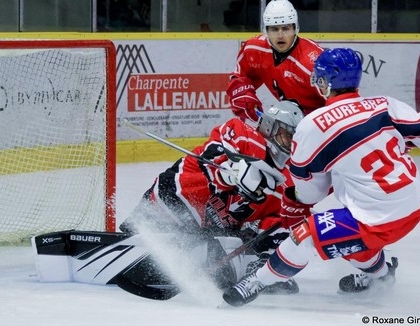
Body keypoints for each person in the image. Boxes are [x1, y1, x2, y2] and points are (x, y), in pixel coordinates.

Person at [222, 47, 420, 307]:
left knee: (304, 236)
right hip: (412, 206)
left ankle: (257, 282)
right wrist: (406, 140)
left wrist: (292, 197)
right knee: (345, 236)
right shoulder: (384, 105)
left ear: (324, 82)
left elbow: (311, 193)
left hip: (377, 218)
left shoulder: (314, 125)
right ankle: (382, 276)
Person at [119, 100, 305, 292]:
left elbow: (284, 218)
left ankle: (263, 268)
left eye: (296, 138)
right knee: (144, 229)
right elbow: (211, 153)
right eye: (288, 135)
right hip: (177, 199)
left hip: (213, 230)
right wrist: (227, 173)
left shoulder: (288, 179)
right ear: (270, 127)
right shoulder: (242, 133)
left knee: (295, 220)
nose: (292, 143)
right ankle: (128, 238)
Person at [226, 0, 325, 122]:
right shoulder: (254, 50)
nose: (280, 35)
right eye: (274, 29)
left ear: (296, 28)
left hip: (320, 122)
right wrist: (242, 93)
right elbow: (240, 77)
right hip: (290, 121)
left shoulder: (313, 63)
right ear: (266, 30)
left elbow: (339, 100)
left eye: (286, 28)